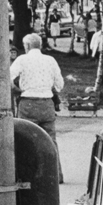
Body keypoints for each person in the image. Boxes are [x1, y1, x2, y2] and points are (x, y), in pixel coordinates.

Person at [10, 33, 65, 183]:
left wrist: (17, 88)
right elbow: (60, 85)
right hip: (47, 103)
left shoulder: (22, 60)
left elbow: (8, 78)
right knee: (50, 140)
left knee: (25, 139)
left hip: (28, 102)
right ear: (40, 45)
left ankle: (26, 175)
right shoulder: (50, 60)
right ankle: (56, 174)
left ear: (27, 46)